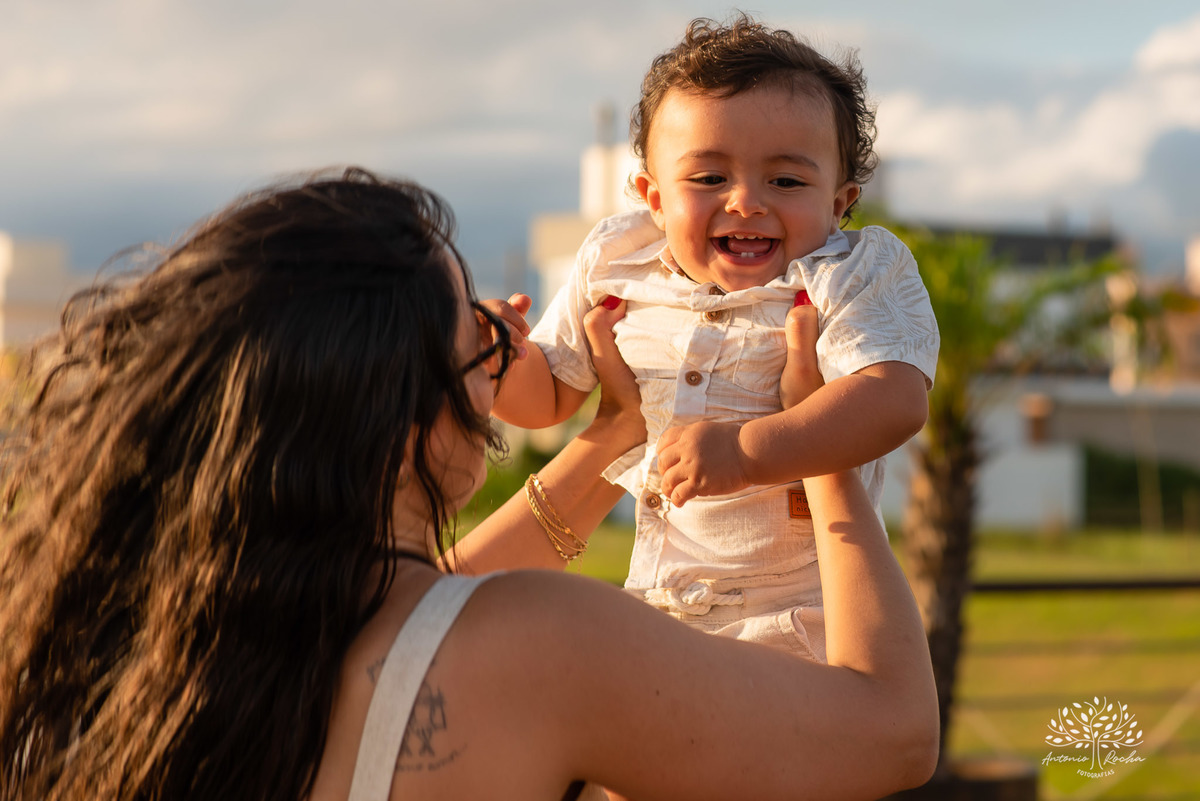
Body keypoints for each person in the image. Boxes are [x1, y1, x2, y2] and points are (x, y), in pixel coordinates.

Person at [0, 169, 937, 801]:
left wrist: (616, 433)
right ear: (408, 420)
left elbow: (440, 588)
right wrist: (821, 459)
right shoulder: (537, 641)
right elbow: (889, 731)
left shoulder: (182, 635)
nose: (505, 373)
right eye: (484, 344)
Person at [488, 14, 940, 662]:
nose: (746, 201)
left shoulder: (849, 272)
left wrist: (748, 450)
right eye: (708, 178)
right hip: (654, 615)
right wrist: (495, 358)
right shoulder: (621, 261)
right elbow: (546, 400)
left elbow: (894, 398)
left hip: (795, 624)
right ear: (653, 196)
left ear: (841, 203)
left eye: (786, 180)